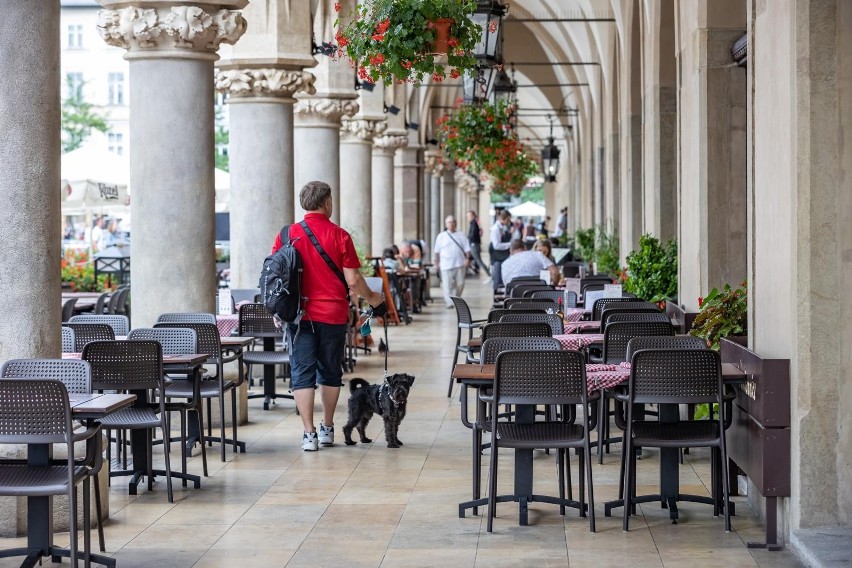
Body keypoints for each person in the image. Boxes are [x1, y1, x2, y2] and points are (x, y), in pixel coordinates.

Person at [271, 181, 385, 451]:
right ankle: (327, 427)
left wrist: (279, 308)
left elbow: (275, 275)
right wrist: (374, 299)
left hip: (298, 316)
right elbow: (354, 280)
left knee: (302, 372)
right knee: (330, 371)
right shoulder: (340, 235)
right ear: (326, 203)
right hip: (332, 314)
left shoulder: (287, 234)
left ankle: (308, 433)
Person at [433, 215, 471, 309]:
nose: (451, 224)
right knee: (447, 285)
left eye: (453, 222)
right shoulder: (441, 236)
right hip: (446, 265)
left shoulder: (461, 235)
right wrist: (436, 263)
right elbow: (437, 252)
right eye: (449, 222)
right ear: (446, 224)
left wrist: (467, 259)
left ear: (456, 223)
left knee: (460, 283)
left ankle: (457, 298)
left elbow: (467, 249)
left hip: (459, 263)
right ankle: (449, 302)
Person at [488, 209, 513, 291]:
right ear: (504, 218)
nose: (509, 221)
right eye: (508, 219)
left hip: (503, 256)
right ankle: (496, 299)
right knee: (497, 279)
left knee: (502, 278)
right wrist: (510, 244)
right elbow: (496, 245)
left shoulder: (503, 227)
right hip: (497, 257)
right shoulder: (496, 229)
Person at [466, 210, 490, 276]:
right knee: (474, 259)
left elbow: (473, 235)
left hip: (474, 244)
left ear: (472, 216)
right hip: (475, 244)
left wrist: (467, 237)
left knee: (478, 260)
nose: (468, 218)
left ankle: (489, 274)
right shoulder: (473, 223)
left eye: (469, 216)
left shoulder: (474, 223)